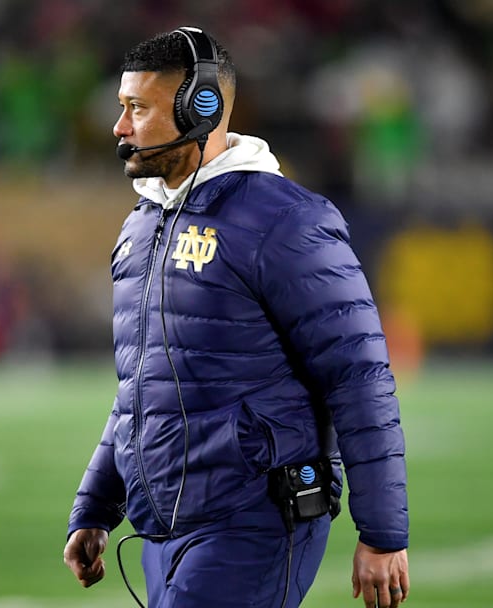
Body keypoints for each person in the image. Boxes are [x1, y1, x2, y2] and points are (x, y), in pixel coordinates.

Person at [62, 27, 410, 608]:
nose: (120, 128)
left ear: (199, 107)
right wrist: (97, 505)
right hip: (166, 525)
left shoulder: (286, 222)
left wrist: (382, 534)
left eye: (137, 109)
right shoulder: (143, 225)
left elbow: (359, 377)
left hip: (255, 517)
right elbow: (141, 389)